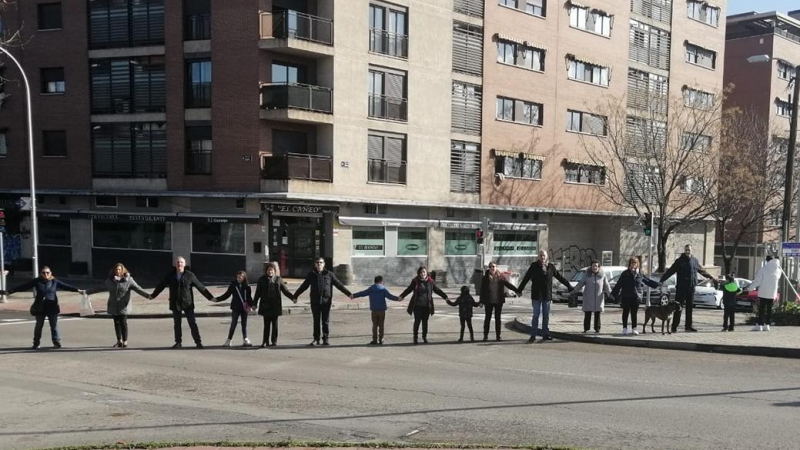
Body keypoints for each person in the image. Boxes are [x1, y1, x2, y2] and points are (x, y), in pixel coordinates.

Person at [1, 266, 85, 349]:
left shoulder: (54, 281)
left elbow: (66, 286)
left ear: (51, 273)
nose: (46, 274)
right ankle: (36, 343)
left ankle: (56, 342)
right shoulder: (37, 281)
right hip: (40, 307)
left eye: (47, 272)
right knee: (39, 326)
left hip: (52, 307)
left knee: (54, 326)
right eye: (43, 273)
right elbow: (24, 286)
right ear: (41, 274)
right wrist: (10, 291)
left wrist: (78, 290)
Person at [150, 256, 214, 349]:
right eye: (178, 262)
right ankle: (178, 342)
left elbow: (200, 287)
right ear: (175, 264)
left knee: (192, 323)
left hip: (187, 303)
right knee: (177, 324)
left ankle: (198, 342)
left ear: (184, 264)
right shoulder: (170, 275)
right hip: (175, 303)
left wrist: (210, 297)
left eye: (181, 262)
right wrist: (153, 295)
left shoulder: (190, 275)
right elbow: (161, 285)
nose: (179, 264)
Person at [86, 263, 150, 348]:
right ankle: (119, 340)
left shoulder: (128, 280)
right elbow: (99, 288)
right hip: (113, 304)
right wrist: (86, 292)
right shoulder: (110, 281)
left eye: (119, 269)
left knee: (123, 322)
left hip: (123, 305)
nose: (118, 271)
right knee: (116, 323)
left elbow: (138, 288)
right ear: (114, 271)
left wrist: (148, 295)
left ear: (123, 270)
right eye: (116, 270)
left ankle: (125, 341)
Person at [293, 257, 352, 346]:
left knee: (325, 321)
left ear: (324, 264)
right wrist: (295, 296)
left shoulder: (329, 274)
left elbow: (339, 285)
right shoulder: (311, 274)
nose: (319, 264)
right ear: (315, 264)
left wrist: (349, 294)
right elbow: (303, 286)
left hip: (326, 302)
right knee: (316, 321)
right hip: (315, 301)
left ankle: (325, 339)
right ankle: (316, 339)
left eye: (321, 262)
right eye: (317, 262)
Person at [517, 250, 573, 343]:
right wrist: (519, 290)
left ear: (547, 257)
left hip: (546, 295)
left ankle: (545, 334)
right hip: (536, 295)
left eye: (544, 255)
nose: (542, 257)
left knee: (546, 316)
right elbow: (526, 278)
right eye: (540, 255)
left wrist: (569, 286)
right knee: (536, 315)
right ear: (538, 257)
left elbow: (560, 277)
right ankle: (533, 335)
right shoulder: (534, 266)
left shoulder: (551, 267)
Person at [660, 244, 716, 332]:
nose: (687, 251)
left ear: (691, 250)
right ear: (684, 250)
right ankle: (674, 326)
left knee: (690, 307)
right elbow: (670, 271)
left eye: (689, 250)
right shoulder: (679, 261)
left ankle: (688, 326)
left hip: (691, 287)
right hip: (681, 288)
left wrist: (711, 277)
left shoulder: (695, 261)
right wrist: (662, 279)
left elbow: (701, 271)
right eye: (686, 250)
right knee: (678, 307)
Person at [611, 257, 661, 335]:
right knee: (625, 312)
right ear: (629, 264)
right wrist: (613, 294)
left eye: (635, 263)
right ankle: (625, 328)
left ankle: (634, 328)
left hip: (636, 296)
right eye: (632, 263)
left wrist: (657, 284)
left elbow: (647, 281)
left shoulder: (640, 274)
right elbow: (619, 284)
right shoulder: (625, 273)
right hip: (626, 296)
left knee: (634, 313)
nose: (633, 265)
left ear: (638, 264)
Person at [399, 266, 449, 344]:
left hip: (427, 306)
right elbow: (409, 289)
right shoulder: (415, 281)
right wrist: (402, 296)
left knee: (425, 322)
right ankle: (415, 337)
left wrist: (445, 296)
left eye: (424, 272)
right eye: (421, 272)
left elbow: (437, 290)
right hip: (417, 305)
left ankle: (424, 337)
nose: (422, 274)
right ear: (419, 273)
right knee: (417, 321)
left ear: (427, 273)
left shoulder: (430, 282)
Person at [253, 262, 295, 347]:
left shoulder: (278, 279)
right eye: (268, 270)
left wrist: (293, 298)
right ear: (266, 271)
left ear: (274, 271)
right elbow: (258, 293)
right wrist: (254, 304)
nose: (270, 272)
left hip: (275, 305)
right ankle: (265, 341)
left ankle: (274, 341)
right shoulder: (262, 279)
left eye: (271, 270)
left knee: (275, 324)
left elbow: (285, 291)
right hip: (265, 305)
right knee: (266, 325)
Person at [352, 275, 400, 345]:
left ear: (375, 281)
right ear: (381, 281)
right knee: (381, 325)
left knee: (374, 325)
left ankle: (374, 340)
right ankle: (381, 339)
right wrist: (398, 298)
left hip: (374, 310)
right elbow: (390, 296)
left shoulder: (371, 289)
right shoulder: (383, 289)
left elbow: (362, 293)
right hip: (381, 310)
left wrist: (353, 295)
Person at [214, 271, 254, 347]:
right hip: (236, 307)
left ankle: (245, 339)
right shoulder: (233, 285)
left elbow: (249, 298)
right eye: (238, 277)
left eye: (240, 277)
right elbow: (227, 295)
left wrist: (252, 305)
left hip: (244, 308)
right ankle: (229, 340)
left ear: (244, 278)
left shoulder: (247, 287)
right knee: (233, 324)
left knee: (244, 324)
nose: (239, 278)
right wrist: (217, 299)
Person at [479, 262, 516, 341]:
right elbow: (482, 290)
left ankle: (498, 336)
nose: (492, 268)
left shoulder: (501, 277)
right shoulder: (485, 278)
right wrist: (481, 301)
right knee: (487, 318)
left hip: (498, 301)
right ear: (488, 268)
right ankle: (485, 336)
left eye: (493, 266)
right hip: (488, 301)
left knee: (498, 319)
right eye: (490, 267)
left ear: (496, 267)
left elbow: (508, 284)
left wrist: (517, 290)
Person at [572, 260, 611, 334]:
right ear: (591, 267)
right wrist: (574, 290)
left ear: (599, 267)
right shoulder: (587, 274)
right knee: (587, 313)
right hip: (588, 297)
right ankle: (586, 328)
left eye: (596, 266)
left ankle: (597, 328)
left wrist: (610, 294)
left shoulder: (602, 275)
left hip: (598, 298)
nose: (595, 267)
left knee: (597, 314)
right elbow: (581, 283)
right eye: (593, 266)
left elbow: (606, 286)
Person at [746, 256, 781, 332]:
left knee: (761, 309)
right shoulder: (778, 270)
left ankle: (759, 325)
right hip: (772, 293)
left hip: (763, 292)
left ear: (767, 261)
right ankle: (767, 325)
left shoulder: (763, 269)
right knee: (769, 309)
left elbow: (758, 281)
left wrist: (749, 288)